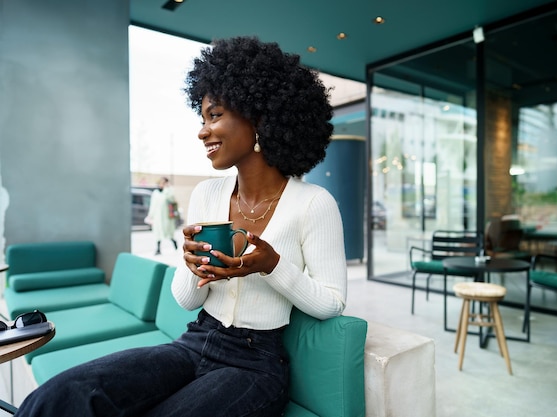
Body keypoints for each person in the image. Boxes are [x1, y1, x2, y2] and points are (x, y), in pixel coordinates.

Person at [15, 36, 347, 417]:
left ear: (259, 117)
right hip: (194, 341)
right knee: (66, 393)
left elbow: (332, 303)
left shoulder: (313, 203)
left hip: (255, 365)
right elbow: (188, 300)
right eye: (202, 117)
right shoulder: (207, 193)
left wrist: (271, 265)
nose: (202, 131)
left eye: (215, 115)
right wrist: (189, 263)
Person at [145, 177, 178, 255]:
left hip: (167, 217)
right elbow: (152, 205)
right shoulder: (155, 192)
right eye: (161, 182)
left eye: (164, 183)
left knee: (168, 232)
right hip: (157, 217)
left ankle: (175, 243)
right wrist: (150, 215)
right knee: (158, 233)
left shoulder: (169, 191)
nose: (162, 184)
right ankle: (158, 249)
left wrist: (167, 188)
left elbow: (172, 200)